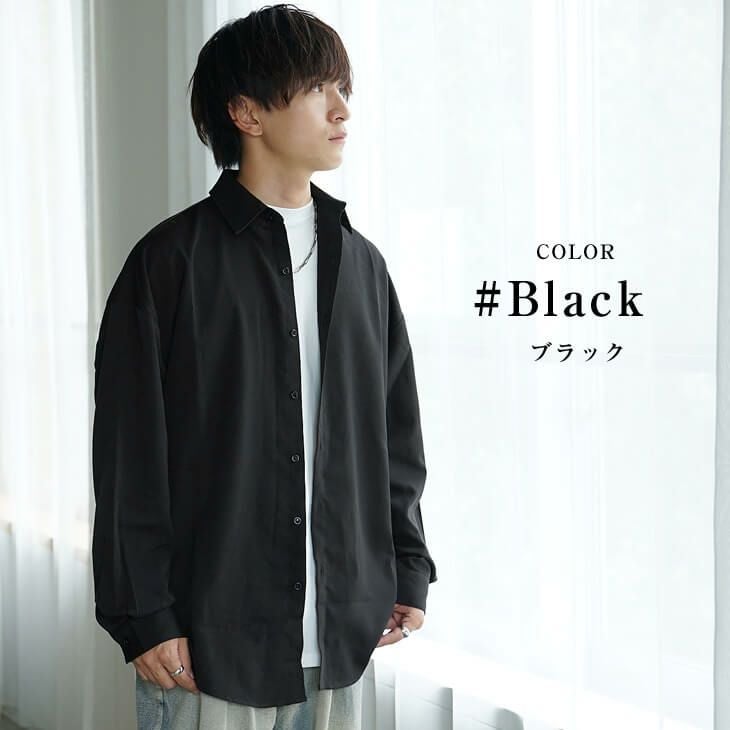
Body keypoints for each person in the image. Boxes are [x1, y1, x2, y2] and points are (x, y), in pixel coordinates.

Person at [91, 4, 437, 729]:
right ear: (246, 113)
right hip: (208, 642)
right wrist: (145, 614)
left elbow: (394, 435)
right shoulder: (169, 264)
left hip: (343, 632)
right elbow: (129, 457)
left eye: (343, 89)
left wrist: (408, 565)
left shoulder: (362, 265)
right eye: (317, 89)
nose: (342, 109)